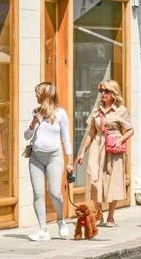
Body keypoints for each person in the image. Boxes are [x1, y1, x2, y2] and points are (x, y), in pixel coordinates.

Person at [75, 80, 133, 227]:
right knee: (93, 178)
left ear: (113, 94)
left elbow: (131, 130)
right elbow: (91, 133)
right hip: (97, 146)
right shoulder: (96, 110)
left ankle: (111, 217)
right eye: (101, 91)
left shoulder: (121, 110)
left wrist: (120, 140)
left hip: (113, 148)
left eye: (106, 92)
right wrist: (82, 152)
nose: (102, 94)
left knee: (113, 181)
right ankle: (99, 213)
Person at [24, 82, 71, 241]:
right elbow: (26, 136)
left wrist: (69, 160)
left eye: (38, 93)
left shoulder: (61, 114)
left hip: (54, 157)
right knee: (38, 193)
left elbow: (66, 139)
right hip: (36, 157)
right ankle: (43, 230)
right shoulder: (36, 113)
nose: (36, 95)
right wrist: (32, 124)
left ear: (45, 95)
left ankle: (60, 219)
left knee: (55, 193)